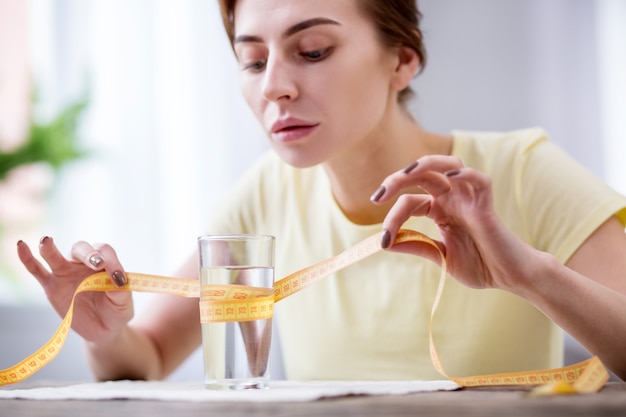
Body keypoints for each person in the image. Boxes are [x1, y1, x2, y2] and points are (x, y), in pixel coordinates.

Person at [16, 0, 626, 382]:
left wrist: (530, 277)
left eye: (312, 51)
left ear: (403, 61)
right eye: (252, 61)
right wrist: (104, 333)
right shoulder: (262, 195)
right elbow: (144, 361)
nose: (274, 87)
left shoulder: (521, 171)